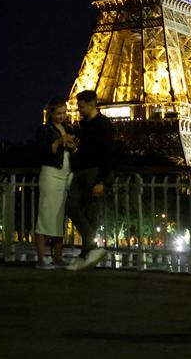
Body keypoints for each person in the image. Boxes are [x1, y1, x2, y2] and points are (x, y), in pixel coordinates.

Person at [65, 90, 114, 271]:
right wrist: (74, 149)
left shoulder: (104, 125)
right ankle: (92, 247)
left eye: (82, 106)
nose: (78, 109)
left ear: (92, 103)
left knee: (89, 213)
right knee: (72, 206)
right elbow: (85, 150)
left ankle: (86, 255)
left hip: (94, 172)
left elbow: (108, 154)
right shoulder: (84, 124)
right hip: (80, 172)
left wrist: (102, 181)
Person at [34, 96, 77, 269]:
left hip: (65, 175)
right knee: (45, 216)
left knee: (60, 219)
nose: (62, 116)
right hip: (51, 175)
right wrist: (59, 141)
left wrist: (73, 147)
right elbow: (44, 151)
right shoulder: (45, 130)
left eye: (64, 112)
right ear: (51, 113)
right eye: (58, 113)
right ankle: (41, 259)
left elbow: (72, 153)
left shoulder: (68, 128)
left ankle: (57, 257)